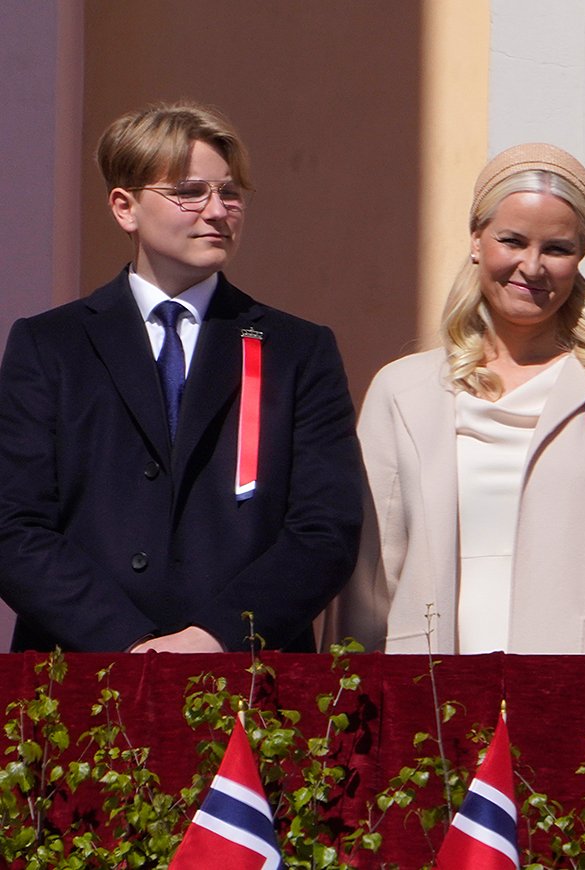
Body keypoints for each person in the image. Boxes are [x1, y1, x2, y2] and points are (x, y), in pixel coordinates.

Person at [0, 102, 362, 653]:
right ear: (125, 207)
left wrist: (213, 637)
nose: (217, 211)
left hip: (247, 667)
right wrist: (126, 642)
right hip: (81, 666)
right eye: (190, 192)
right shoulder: (51, 345)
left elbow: (325, 528)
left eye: (230, 193)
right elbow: (14, 523)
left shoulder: (297, 350)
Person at [323, 143, 585, 654]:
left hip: (581, 678)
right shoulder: (403, 391)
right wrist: (353, 684)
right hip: (432, 680)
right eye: (512, 241)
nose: (532, 266)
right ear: (477, 240)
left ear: (580, 256)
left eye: (557, 248)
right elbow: (373, 574)